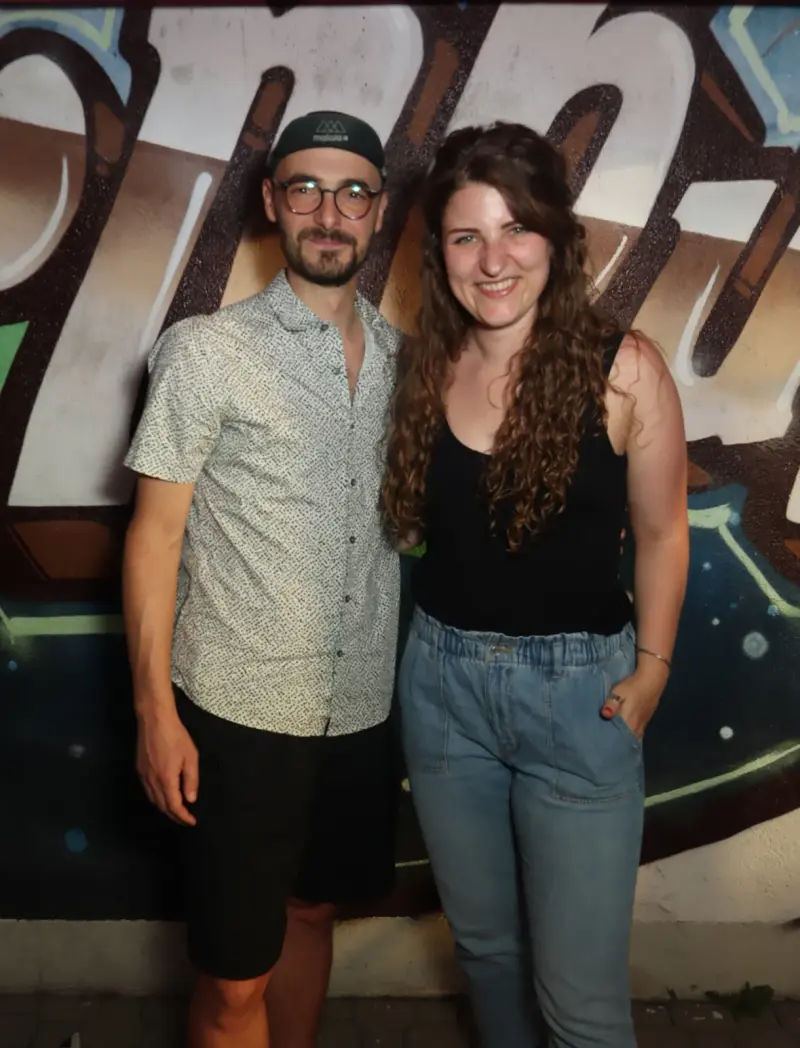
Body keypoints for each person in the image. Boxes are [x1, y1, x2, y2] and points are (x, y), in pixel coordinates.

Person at [381, 122, 689, 1048]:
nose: (493, 260)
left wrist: (654, 666)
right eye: (465, 236)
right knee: (486, 954)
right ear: (439, 253)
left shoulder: (624, 370)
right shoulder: (426, 365)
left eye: (515, 228)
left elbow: (663, 532)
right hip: (443, 692)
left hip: (580, 701)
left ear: (555, 235)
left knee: (579, 1004)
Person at [122, 110, 403, 1048]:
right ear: (273, 202)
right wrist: (155, 714)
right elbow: (154, 539)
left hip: (358, 710)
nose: (331, 212)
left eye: (354, 192)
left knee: (313, 915)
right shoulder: (207, 351)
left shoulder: (405, 361)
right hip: (238, 712)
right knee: (233, 979)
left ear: (379, 210)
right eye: (307, 188)